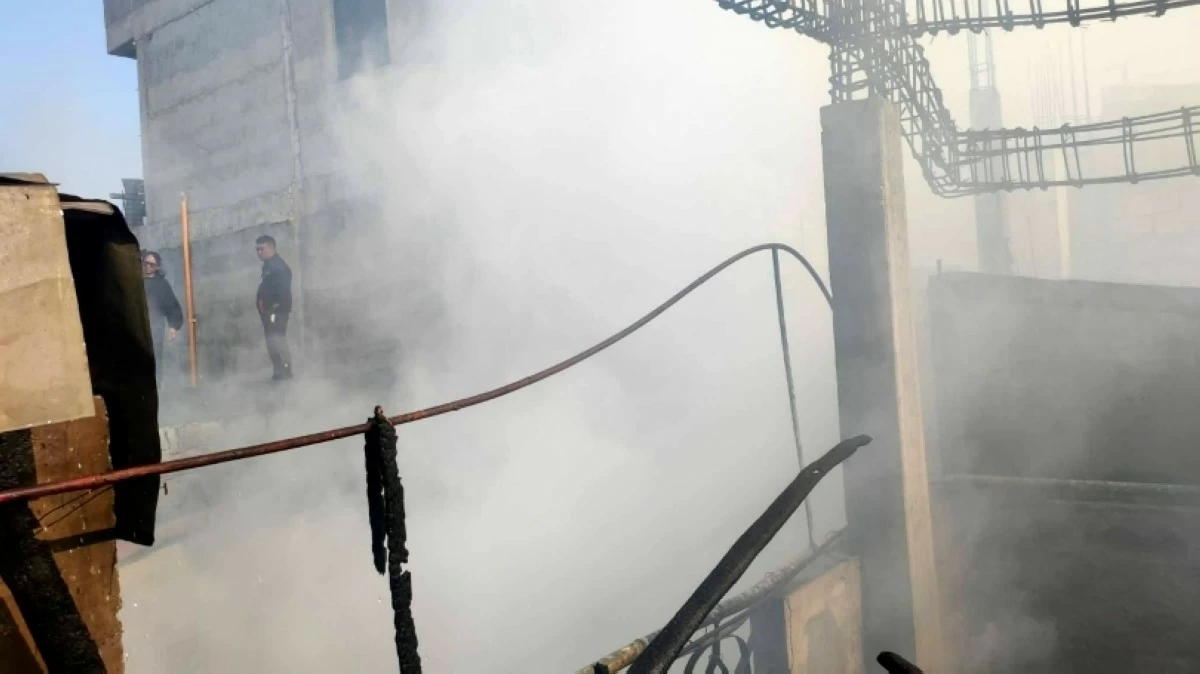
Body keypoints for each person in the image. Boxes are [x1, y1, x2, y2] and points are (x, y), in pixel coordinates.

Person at [141, 250, 183, 387]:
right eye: (146, 263)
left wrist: (173, 326)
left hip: (155, 330)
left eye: (152, 264)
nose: (148, 266)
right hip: (136, 329)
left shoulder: (162, 285)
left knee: (155, 360)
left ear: (157, 267)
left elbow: (172, 306)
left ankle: (156, 389)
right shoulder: (135, 282)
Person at [255, 235, 293, 380]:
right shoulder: (269, 266)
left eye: (262, 249)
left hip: (276, 313)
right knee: (272, 343)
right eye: (257, 250)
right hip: (269, 313)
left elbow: (283, 292)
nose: (259, 252)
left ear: (271, 248)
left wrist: (274, 310)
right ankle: (279, 372)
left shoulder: (279, 267)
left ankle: (285, 373)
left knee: (277, 342)